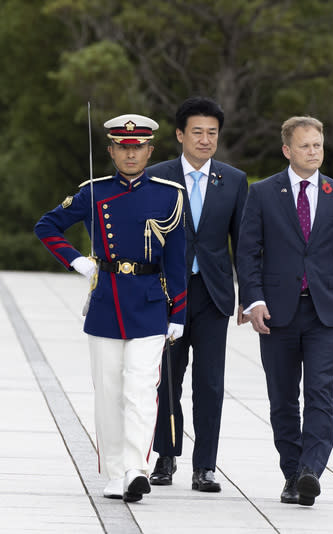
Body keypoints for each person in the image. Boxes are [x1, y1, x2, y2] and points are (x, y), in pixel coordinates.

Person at [34, 114, 186, 503]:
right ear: (111, 150)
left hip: (151, 303)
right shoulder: (94, 191)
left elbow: (177, 258)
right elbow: (47, 226)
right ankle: (116, 471)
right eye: (122, 147)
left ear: (150, 151)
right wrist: (78, 261)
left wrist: (179, 313)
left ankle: (136, 468)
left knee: (140, 388)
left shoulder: (170, 193)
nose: (130, 154)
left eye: (137, 148)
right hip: (107, 301)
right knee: (108, 391)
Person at [237, 116, 333, 506]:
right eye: (305, 146)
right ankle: (292, 472)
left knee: (321, 393)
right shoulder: (262, 193)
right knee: (283, 398)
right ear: (287, 150)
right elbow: (247, 252)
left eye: (318, 145)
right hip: (278, 314)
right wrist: (253, 300)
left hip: (327, 313)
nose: (313, 152)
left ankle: (311, 470)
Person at [148, 97, 248, 492]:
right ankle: (166, 457)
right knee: (166, 379)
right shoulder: (157, 176)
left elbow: (244, 243)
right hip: (166, 294)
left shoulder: (234, 180)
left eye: (212, 133)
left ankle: (205, 466)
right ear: (180, 135)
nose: (205, 140)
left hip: (213, 295)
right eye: (197, 132)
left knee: (210, 383)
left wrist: (249, 296)